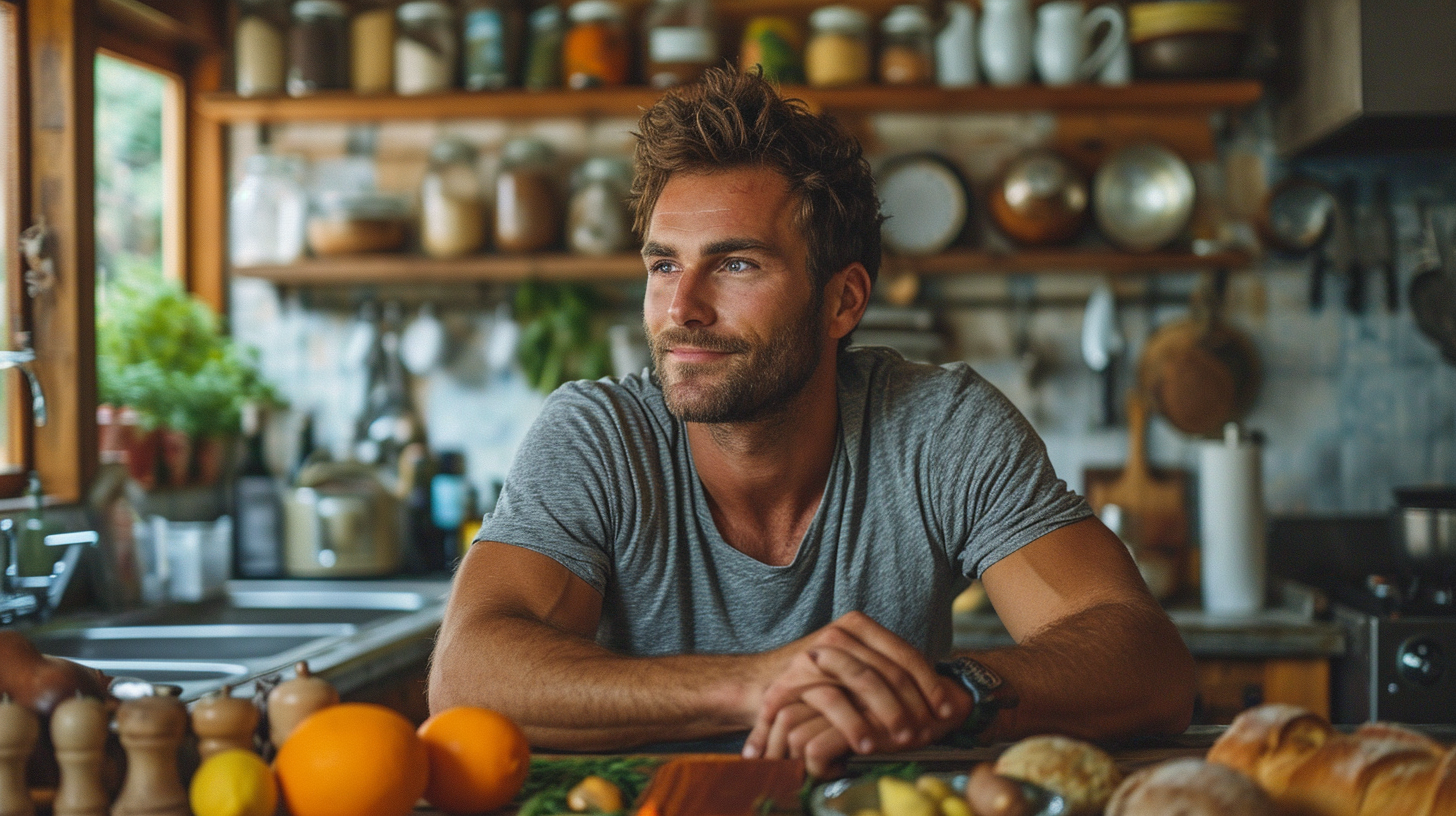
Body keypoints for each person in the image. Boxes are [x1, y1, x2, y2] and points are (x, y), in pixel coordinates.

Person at [428, 68, 1196, 775]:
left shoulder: (939, 427)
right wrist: (753, 685)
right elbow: (467, 674)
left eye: (736, 264)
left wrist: (950, 694)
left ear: (843, 301)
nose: (681, 309)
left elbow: (1147, 661)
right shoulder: (599, 437)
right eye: (664, 264)